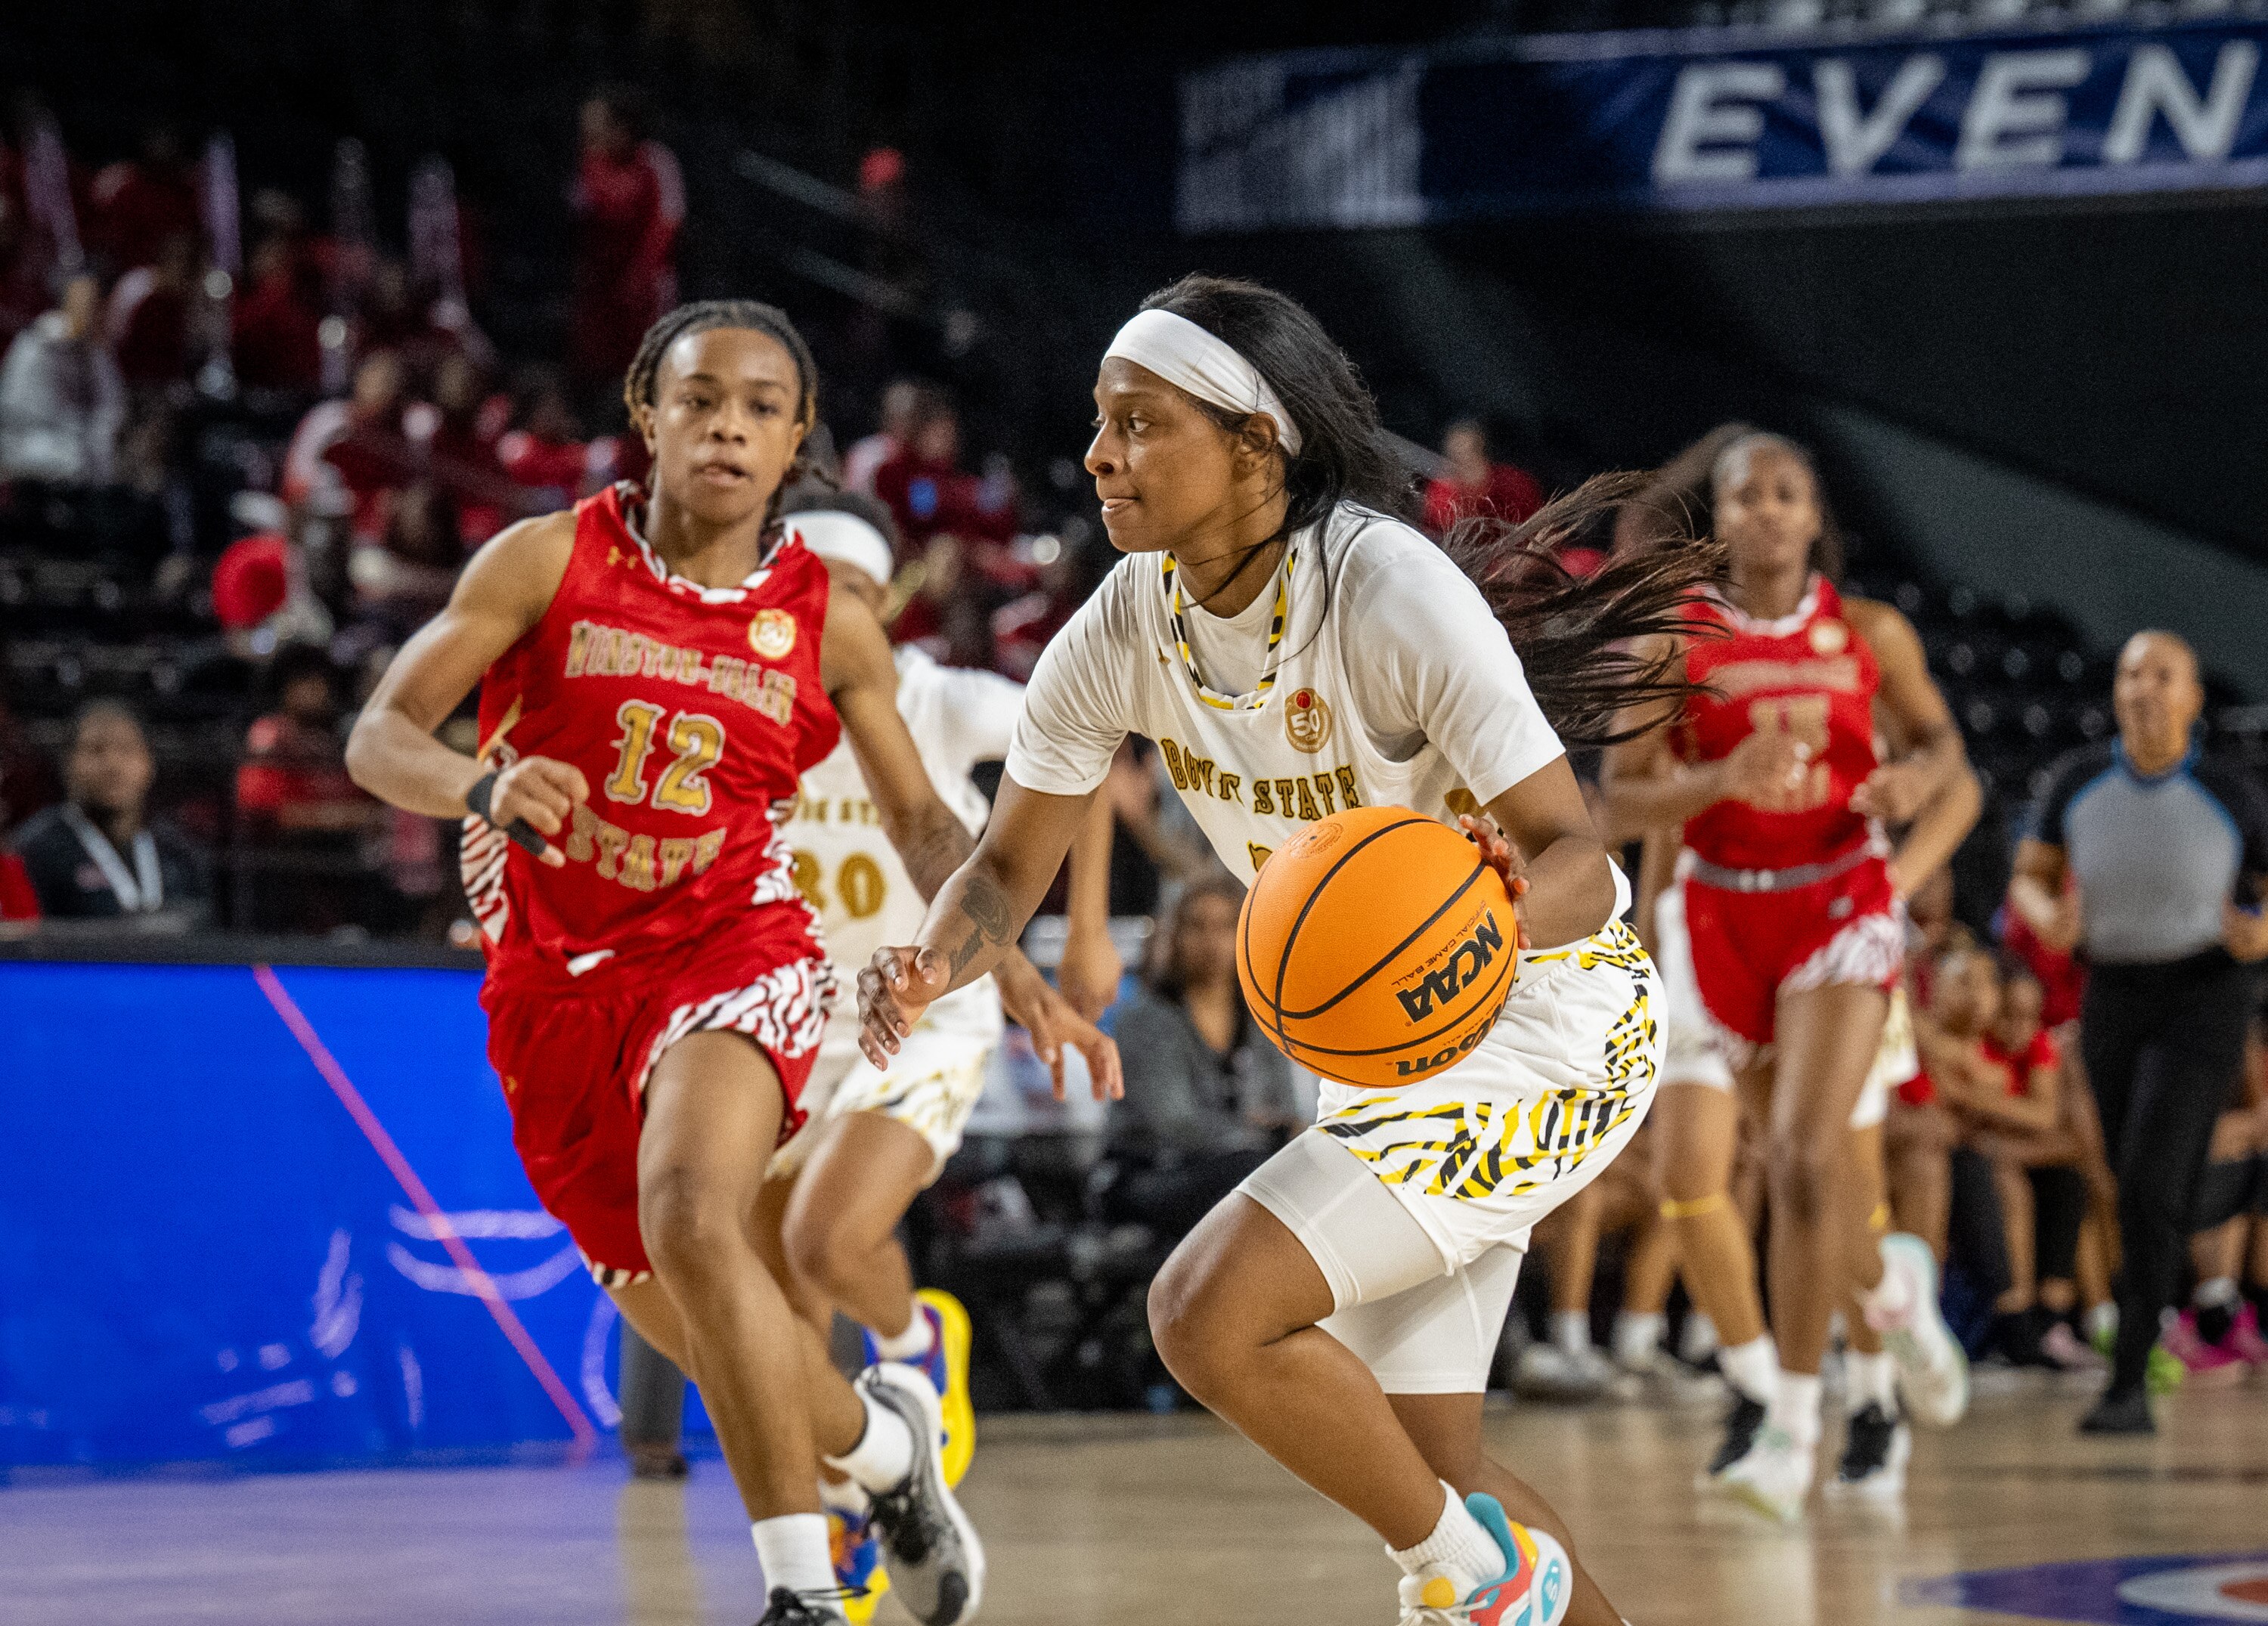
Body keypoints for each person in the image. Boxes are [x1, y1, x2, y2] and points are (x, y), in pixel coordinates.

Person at [857, 273, 1723, 1626]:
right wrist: (928, 959)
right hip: (1389, 1058)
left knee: (1206, 1314)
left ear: (1259, 440)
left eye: (1139, 422)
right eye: (1098, 422)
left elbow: (1581, 861)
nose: (1098, 455)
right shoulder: (1124, 626)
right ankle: (1489, 1568)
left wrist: (1487, 918)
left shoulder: (1386, 589)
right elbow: (1007, 870)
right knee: (1431, 1468)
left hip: (1550, 1025)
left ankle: (1472, 1580)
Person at [345, 299, 1116, 1626]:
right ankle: (885, 1456)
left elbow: (930, 823)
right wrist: (479, 786)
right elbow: (376, 736)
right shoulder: (542, 564)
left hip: (734, 949)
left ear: (799, 438)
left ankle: (800, 1595)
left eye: (763, 408)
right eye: (702, 399)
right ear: (647, 411)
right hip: (552, 986)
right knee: (718, 1340)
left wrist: (1021, 968)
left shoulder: (829, 622)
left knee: (698, 1217)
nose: (729, 428)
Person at [754, 493, 1120, 1621]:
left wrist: (1082, 936)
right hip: (786, 1018)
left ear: (885, 600)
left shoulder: (934, 697)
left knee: (826, 1233)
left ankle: (916, 1340)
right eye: (812, 594)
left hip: (924, 1009)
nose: (831, 618)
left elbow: (1085, 751)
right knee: (778, 1304)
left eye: (852, 596)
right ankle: (843, 1543)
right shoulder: (747, 700)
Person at [1598, 430, 1974, 1522]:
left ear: (1815, 517)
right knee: (1800, 1177)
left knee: (1812, 1157)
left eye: (1786, 493)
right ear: (1715, 519)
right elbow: (1614, 802)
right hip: (1721, 909)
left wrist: (1907, 814)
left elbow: (1953, 766)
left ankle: (1795, 1423)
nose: (1764, 510)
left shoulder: (1871, 633)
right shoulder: (1675, 641)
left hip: (1840, 902)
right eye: (1743, 495)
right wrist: (1718, 774)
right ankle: (1893, 1287)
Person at [2011, 629, 2268, 1432]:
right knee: (2132, 1173)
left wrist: (2261, 933)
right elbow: (2029, 874)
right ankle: (2213, 1200)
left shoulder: (2233, 794)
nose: (2145, 688)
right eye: (2130, 674)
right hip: (2112, 989)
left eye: (2163, 675)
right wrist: (2044, 914)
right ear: (2115, 693)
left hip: (2205, 992)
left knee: (2152, 1178)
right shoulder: (2077, 782)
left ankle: (2128, 1384)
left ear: (2192, 698)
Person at [1106, 872, 1304, 1240]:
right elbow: (1175, 1124)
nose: (1212, 943)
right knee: (1256, 1178)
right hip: (1151, 1174)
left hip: (1240, 1167)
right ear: (1173, 936)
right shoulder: (1147, 1018)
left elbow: (1285, 1111)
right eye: (1196, 927)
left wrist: (1276, 1132)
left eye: (1226, 927)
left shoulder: (1262, 1019)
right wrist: (1258, 1132)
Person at [12, 700, 210, 929]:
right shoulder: (36, 849)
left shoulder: (179, 851)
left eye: (126, 749)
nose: (112, 764)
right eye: (96, 749)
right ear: (68, 763)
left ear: (149, 763)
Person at [569, 89, 683, 391]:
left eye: (596, 126)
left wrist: (640, 278)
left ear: (622, 128)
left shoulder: (657, 161)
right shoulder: (592, 164)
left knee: (646, 365)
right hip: (601, 285)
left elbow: (668, 223)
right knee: (595, 363)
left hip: (644, 287)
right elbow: (584, 219)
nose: (588, 134)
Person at [0, 272, 125, 488]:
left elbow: (112, 406)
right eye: (83, 303)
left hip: (79, 445)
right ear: (66, 303)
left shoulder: (94, 352)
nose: (89, 311)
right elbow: (19, 412)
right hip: (29, 443)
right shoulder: (35, 344)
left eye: (94, 305)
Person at [1421, 419, 1542, 537]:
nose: (1463, 465)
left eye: (1470, 455)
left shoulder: (1515, 484)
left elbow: (1537, 531)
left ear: (1482, 452)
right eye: (1455, 459)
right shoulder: (1441, 494)